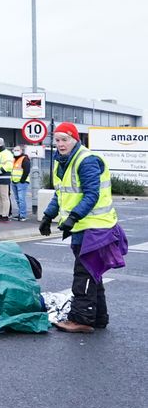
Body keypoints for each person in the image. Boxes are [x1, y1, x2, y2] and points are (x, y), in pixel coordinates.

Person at [39, 122, 121, 333]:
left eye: (65, 139)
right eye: (57, 140)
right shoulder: (62, 162)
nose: (60, 144)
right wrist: (48, 216)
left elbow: (92, 194)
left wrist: (73, 217)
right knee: (93, 271)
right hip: (83, 226)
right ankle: (98, 317)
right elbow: (61, 193)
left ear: (75, 139)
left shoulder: (86, 160)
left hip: (95, 227)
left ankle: (81, 319)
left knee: (84, 272)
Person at [10, 145, 32, 221]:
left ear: (21, 151)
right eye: (14, 150)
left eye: (17, 150)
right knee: (17, 199)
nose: (16, 152)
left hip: (21, 182)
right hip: (14, 181)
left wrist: (22, 180)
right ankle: (20, 213)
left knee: (21, 199)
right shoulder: (14, 159)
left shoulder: (24, 159)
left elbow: (27, 170)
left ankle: (23, 215)